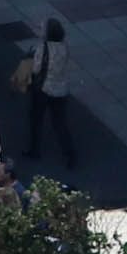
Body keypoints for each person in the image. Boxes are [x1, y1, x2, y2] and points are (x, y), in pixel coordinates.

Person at [16, 16, 77, 170]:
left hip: (43, 90)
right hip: (61, 90)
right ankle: (70, 154)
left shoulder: (42, 47)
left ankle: (34, 150)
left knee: (36, 120)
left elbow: (36, 69)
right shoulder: (64, 46)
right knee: (60, 123)